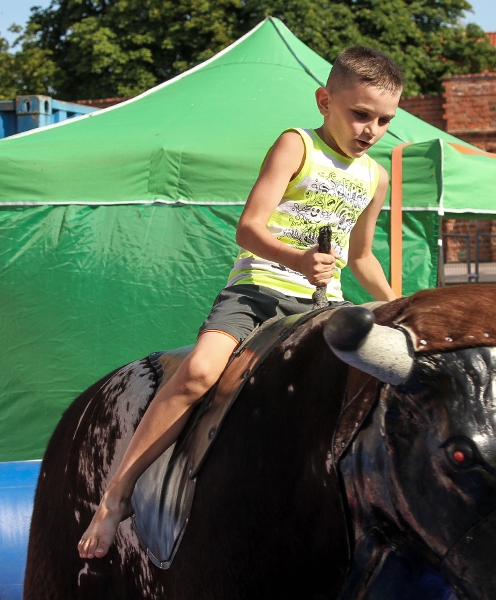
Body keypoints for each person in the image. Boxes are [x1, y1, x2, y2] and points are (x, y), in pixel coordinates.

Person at [78, 45, 403, 560]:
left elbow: (361, 257)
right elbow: (249, 227)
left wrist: (400, 306)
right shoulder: (297, 144)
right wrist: (295, 260)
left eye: (384, 120)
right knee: (201, 373)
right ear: (325, 100)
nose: (371, 129)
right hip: (258, 291)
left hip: (323, 307)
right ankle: (115, 496)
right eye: (359, 114)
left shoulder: (376, 176)